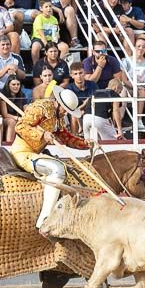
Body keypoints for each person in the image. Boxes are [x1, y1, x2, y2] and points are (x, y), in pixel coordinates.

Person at [9, 85, 91, 226]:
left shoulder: (57, 117)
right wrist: (42, 134)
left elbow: (66, 137)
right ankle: (44, 221)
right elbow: (20, 126)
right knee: (57, 169)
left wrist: (86, 143)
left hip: (35, 154)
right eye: (66, 110)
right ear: (58, 103)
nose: (66, 113)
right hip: (22, 152)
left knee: (63, 168)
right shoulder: (41, 108)